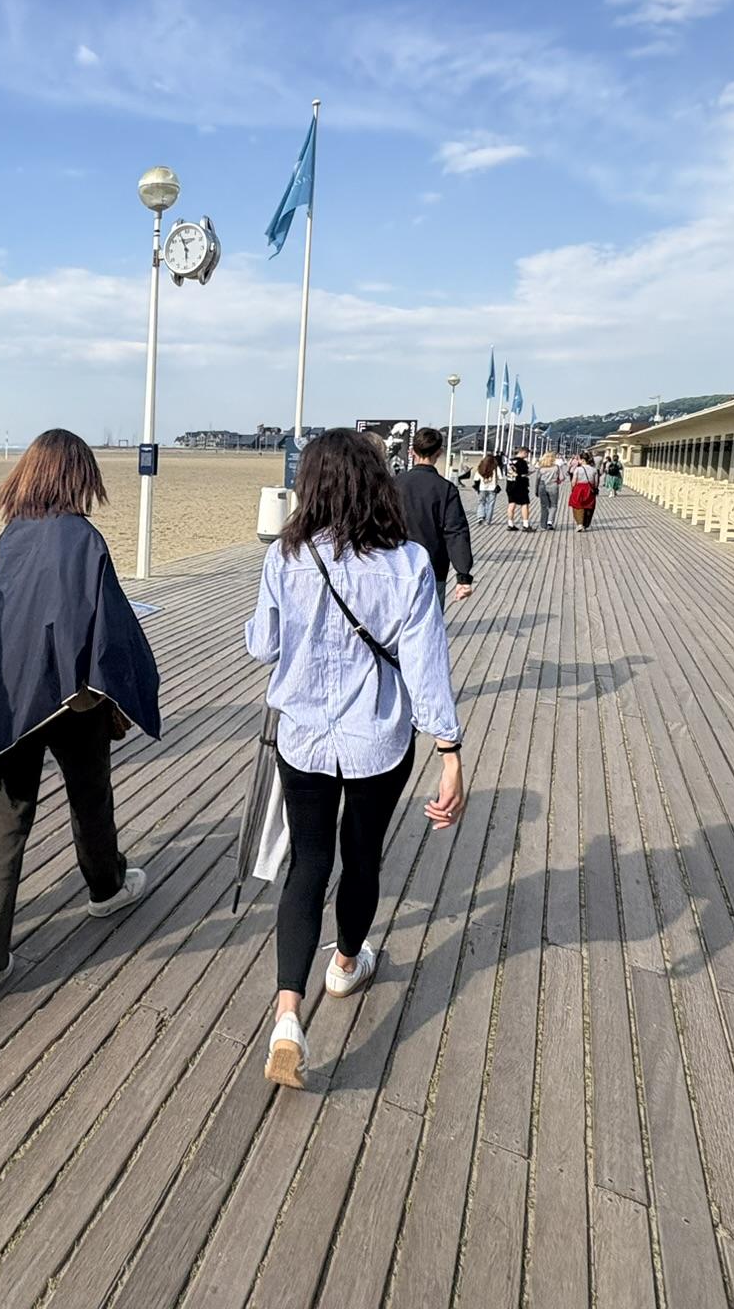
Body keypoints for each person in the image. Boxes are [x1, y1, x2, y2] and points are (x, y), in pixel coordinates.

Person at [245, 429, 466, 1089]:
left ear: (310, 484)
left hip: (304, 736)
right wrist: (449, 751)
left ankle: (288, 1015)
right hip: (378, 738)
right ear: (379, 483)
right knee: (362, 855)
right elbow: (426, 666)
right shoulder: (406, 564)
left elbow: (262, 646)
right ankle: (344, 964)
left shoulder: (286, 557)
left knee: (308, 861)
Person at [0, 431, 160, 1001]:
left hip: (8, 697)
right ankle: (106, 888)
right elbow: (107, 626)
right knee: (90, 796)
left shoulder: (14, 535)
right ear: (77, 477)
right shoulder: (83, 539)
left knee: (3, 820)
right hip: (71, 696)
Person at [392, 427, 474, 605]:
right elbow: (456, 532)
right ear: (440, 452)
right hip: (432, 567)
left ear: (412, 451)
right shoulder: (445, 488)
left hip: (394, 565)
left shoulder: (393, 484)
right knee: (430, 627)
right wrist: (463, 576)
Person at [569, 452, 601, 532]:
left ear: (583, 460)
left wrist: (572, 489)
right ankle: (585, 523)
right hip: (589, 489)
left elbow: (573, 482)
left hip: (579, 488)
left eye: (579, 459)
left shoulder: (578, 469)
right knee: (589, 506)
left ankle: (579, 524)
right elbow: (596, 482)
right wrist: (595, 489)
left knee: (577, 506)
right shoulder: (594, 470)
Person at [504, 447, 532, 530]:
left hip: (510, 484)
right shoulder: (522, 462)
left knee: (511, 504)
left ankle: (510, 524)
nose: (527, 455)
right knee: (524, 504)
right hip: (520, 486)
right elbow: (524, 473)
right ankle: (526, 524)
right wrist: (529, 473)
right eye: (527, 453)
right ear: (523, 452)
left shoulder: (510, 461)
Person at [534, 451, 562, 531]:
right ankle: (550, 522)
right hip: (553, 486)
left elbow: (537, 480)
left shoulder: (541, 468)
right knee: (553, 505)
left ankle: (543, 525)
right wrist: (558, 481)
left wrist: (536, 490)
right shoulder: (556, 467)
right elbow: (562, 477)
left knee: (544, 506)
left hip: (542, 486)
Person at [473, 454, 502, 526]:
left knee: (481, 503)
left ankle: (480, 517)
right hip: (492, 488)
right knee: (490, 504)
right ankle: (488, 520)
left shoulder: (480, 468)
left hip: (482, 488)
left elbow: (476, 479)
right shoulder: (495, 468)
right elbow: (500, 477)